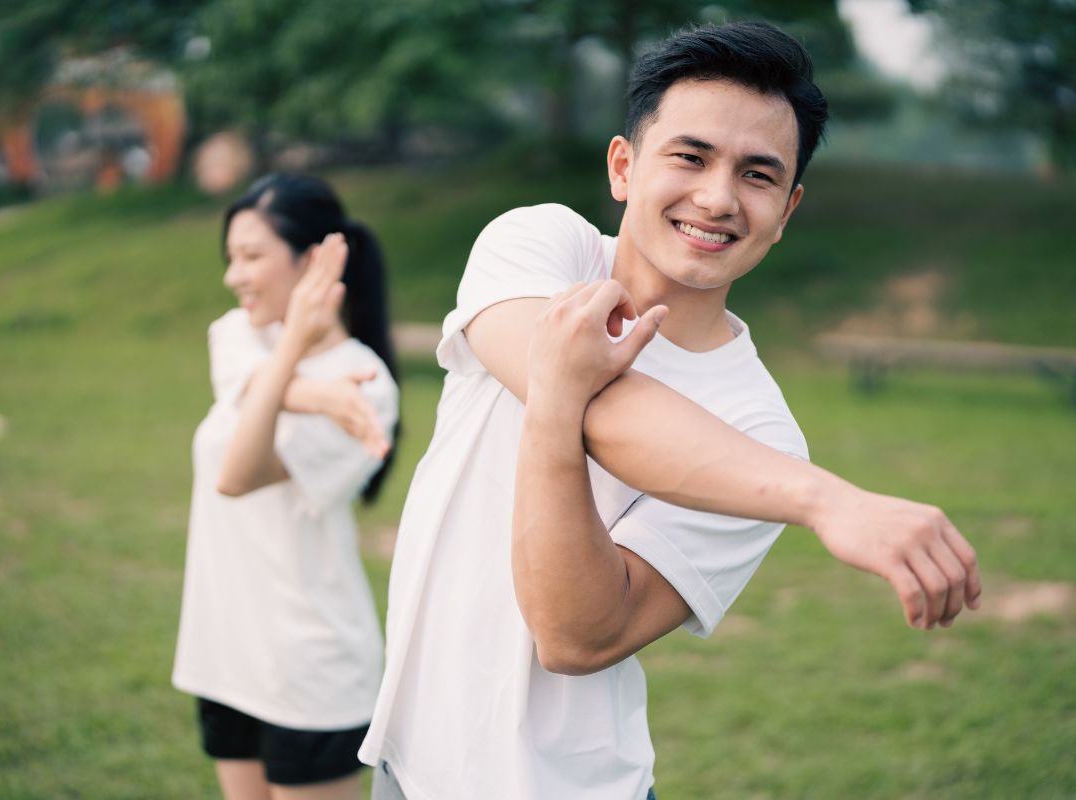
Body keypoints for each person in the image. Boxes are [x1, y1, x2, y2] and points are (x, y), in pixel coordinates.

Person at [358, 21, 981, 800]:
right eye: (690, 156)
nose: (717, 198)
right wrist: (821, 496)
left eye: (757, 176)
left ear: (786, 211)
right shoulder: (537, 247)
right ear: (623, 167)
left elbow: (575, 634)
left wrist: (555, 403)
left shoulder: (760, 434)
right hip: (407, 768)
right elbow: (613, 417)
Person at [172, 173, 399, 800]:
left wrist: (301, 350)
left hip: (308, 668)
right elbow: (256, 391)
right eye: (230, 259)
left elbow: (236, 475)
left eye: (250, 257)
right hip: (224, 653)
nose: (233, 276)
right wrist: (311, 390)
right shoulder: (239, 332)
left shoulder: (367, 387)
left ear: (313, 261)